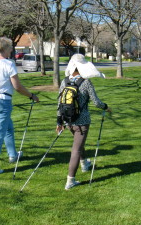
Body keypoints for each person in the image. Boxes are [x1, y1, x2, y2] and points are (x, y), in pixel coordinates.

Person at [0, 37, 39, 178]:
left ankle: (13, 155)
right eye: (10, 47)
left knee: (8, 127)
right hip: (2, 103)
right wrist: (31, 95)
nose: (12, 49)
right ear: (5, 49)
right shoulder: (9, 64)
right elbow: (17, 86)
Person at [56, 54, 111, 190]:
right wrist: (106, 107)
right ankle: (70, 181)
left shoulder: (64, 82)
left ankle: (84, 163)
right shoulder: (86, 83)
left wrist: (59, 122)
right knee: (76, 149)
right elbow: (97, 103)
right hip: (82, 122)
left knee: (79, 143)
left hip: (68, 121)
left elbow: (59, 103)